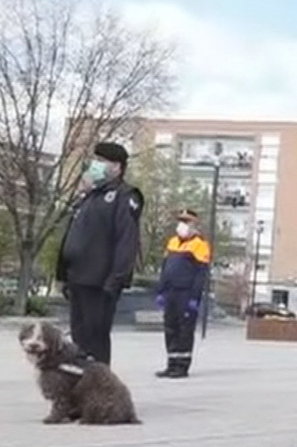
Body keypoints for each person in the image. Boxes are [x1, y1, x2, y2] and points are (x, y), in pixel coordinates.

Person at [55, 143, 144, 367]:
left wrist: (116, 279)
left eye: (101, 161)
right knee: (79, 340)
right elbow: (73, 236)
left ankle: (100, 389)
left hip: (100, 282)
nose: (95, 166)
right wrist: (64, 275)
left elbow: (126, 241)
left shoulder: (124, 196)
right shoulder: (90, 196)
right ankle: (81, 387)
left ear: (117, 167)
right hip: (78, 278)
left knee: (95, 340)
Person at [155, 209, 211, 379]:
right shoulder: (172, 242)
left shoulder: (200, 245)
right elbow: (165, 270)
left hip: (186, 294)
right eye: (181, 221)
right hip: (171, 292)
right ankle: (171, 363)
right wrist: (161, 291)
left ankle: (182, 366)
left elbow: (201, 275)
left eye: (186, 222)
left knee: (184, 330)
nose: (182, 225)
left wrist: (195, 298)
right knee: (170, 328)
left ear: (194, 225)